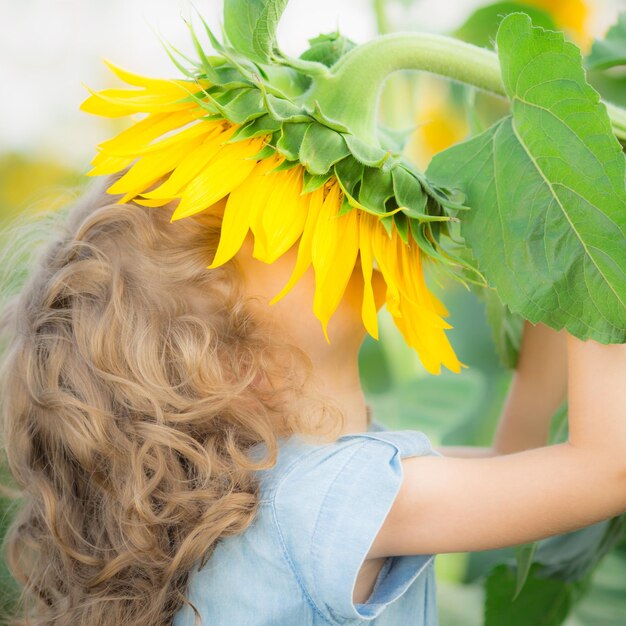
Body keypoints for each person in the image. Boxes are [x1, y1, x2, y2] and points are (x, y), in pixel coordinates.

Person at [0, 170, 624, 626]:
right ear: (230, 367)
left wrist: (559, 276)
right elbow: (603, 468)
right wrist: (587, 216)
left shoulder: (292, 499)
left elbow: (526, 465)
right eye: (265, 230)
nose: (312, 208)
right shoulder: (325, 501)